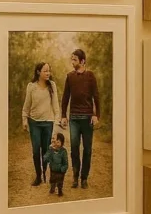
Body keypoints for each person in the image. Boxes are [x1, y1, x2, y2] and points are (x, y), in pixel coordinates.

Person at [60, 49, 101, 189]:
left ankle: (84, 178)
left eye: (75, 59)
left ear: (82, 61)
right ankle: (75, 177)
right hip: (74, 119)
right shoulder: (70, 76)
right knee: (74, 148)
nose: (72, 62)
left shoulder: (90, 76)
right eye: (71, 59)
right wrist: (63, 116)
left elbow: (96, 96)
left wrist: (96, 115)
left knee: (87, 150)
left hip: (87, 119)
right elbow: (65, 97)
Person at [22, 62, 61, 186]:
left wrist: (57, 121)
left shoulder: (52, 86)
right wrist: (24, 119)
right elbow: (26, 105)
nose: (48, 73)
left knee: (45, 151)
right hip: (34, 123)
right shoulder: (31, 86)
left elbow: (56, 106)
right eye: (45, 71)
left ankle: (44, 171)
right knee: (35, 151)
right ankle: (38, 176)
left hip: (48, 123)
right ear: (38, 72)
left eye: (49, 71)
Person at [44, 132, 69, 197]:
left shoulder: (63, 151)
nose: (56, 143)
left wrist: (63, 169)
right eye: (54, 141)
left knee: (60, 182)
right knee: (52, 180)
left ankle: (60, 191)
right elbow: (45, 159)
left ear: (61, 143)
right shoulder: (51, 150)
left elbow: (65, 162)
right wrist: (50, 150)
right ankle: (52, 188)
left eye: (58, 142)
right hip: (53, 169)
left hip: (60, 171)